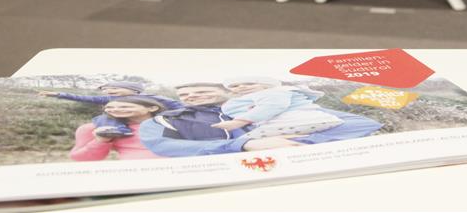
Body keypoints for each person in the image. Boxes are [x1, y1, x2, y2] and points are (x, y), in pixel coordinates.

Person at [139, 82, 382, 157]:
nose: (192, 96)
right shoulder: (165, 120)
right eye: (185, 95)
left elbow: (362, 124)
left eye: (201, 91)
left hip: (302, 162)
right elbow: (163, 145)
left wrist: (303, 142)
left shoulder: (277, 105)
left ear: (228, 93)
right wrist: (244, 144)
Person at [210, 76, 343, 138]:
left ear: (266, 86)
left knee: (248, 140)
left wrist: (238, 122)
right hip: (305, 120)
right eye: (235, 86)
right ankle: (300, 136)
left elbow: (273, 106)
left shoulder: (273, 92)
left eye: (249, 84)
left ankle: (299, 137)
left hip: (296, 119)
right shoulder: (251, 97)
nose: (241, 87)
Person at [39, 80, 181, 138]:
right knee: (103, 117)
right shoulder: (109, 99)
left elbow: (175, 104)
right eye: (106, 89)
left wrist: (179, 114)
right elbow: (84, 98)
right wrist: (59, 94)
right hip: (123, 119)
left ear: (134, 90)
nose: (108, 91)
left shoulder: (151, 97)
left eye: (114, 88)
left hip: (153, 118)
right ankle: (118, 130)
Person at [69, 96, 165, 161]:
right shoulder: (95, 128)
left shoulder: (171, 124)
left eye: (125, 106)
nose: (115, 110)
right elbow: (81, 158)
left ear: (152, 108)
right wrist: (101, 140)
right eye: (109, 107)